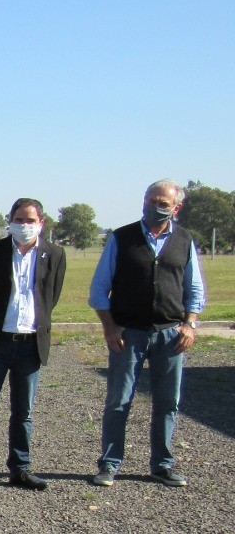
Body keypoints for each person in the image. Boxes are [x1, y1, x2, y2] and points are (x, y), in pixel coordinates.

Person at [88, 179, 206, 487]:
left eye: (163, 203)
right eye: (150, 199)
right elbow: (100, 289)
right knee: (119, 400)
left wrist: (190, 323)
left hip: (170, 335)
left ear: (176, 208)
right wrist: (109, 327)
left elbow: (194, 288)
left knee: (167, 402)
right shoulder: (122, 238)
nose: (154, 206)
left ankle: (162, 465)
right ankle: (109, 464)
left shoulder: (184, 240)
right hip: (129, 335)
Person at [0, 199, 67, 493]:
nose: (24, 225)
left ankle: (20, 468)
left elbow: (51, 296)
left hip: (31, 344)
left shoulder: (54, 254)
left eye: (30, 220)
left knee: (24, 412)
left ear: (41, 222)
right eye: (18, 219)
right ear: (10, 220)